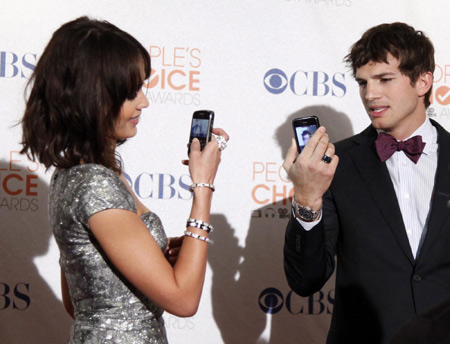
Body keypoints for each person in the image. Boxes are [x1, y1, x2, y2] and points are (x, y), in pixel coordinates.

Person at [20, 16, 229, 343]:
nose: (144, 102)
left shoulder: (73, 175)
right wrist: (203, 186)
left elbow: (81, 302)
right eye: (131, 92)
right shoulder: (95, 183)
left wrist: (152, 255)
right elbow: (184, 300)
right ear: (94, 96)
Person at [283, 22, 450, 343]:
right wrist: (306, 198)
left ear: (423, 81)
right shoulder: (336, 165)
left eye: (384, 79)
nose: (370, 94)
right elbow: (305, 281)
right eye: (362, 83)